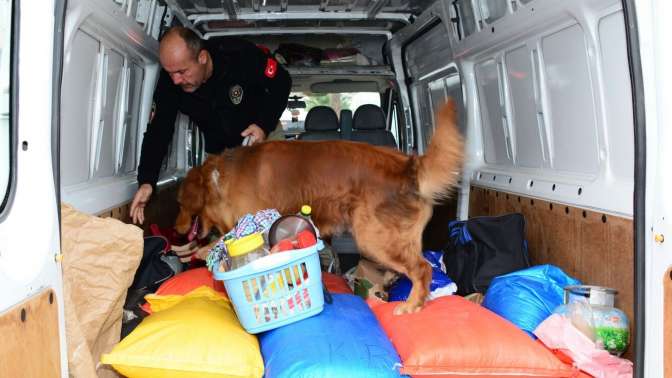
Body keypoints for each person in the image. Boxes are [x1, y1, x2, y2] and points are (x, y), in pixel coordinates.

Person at [130, 26, 292, 224]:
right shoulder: (170, 83)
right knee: (226, 215)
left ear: (203, 57)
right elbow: (159, 131)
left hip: (262, 138)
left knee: (277, 202)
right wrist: (147, 181)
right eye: (170, 73)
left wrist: (263, 125)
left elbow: (282, 81)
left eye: (182, 71)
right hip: (221, 154)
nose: (176, 80)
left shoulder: (239, 55)